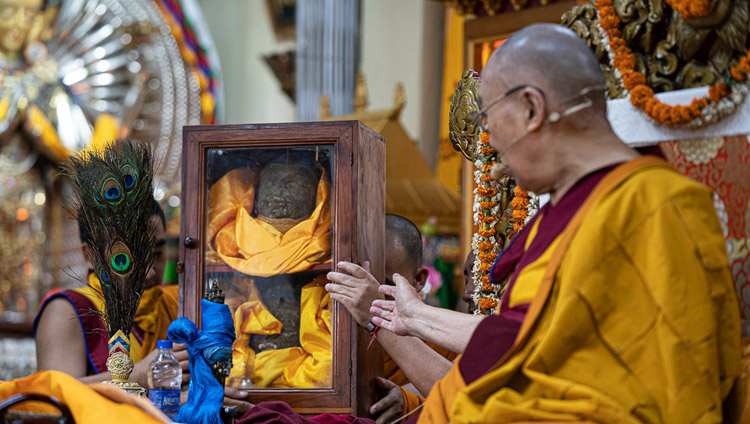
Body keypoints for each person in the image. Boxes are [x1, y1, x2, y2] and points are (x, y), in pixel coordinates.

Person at [363, 23, 741, 423]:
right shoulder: (549, 224)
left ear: (531, 108)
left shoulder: (659, 206)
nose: (489, 149)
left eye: (490, 122)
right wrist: (414, 317)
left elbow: (677, 384)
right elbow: (524, 343)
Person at [34, 203, 182, 389]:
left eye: (157, 253)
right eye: (127, 259)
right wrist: (136, 376)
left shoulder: (177, 302)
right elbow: (51, 397)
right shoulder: (69, 311)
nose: (149, 273)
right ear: (91, 256)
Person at [326, 214, 457, 424]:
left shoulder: (442, 339)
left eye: (381, 286)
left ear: (419, 280)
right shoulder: (324, 328)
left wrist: (410, 402)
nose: (363, 297)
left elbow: (460, 391)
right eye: (355, 283)